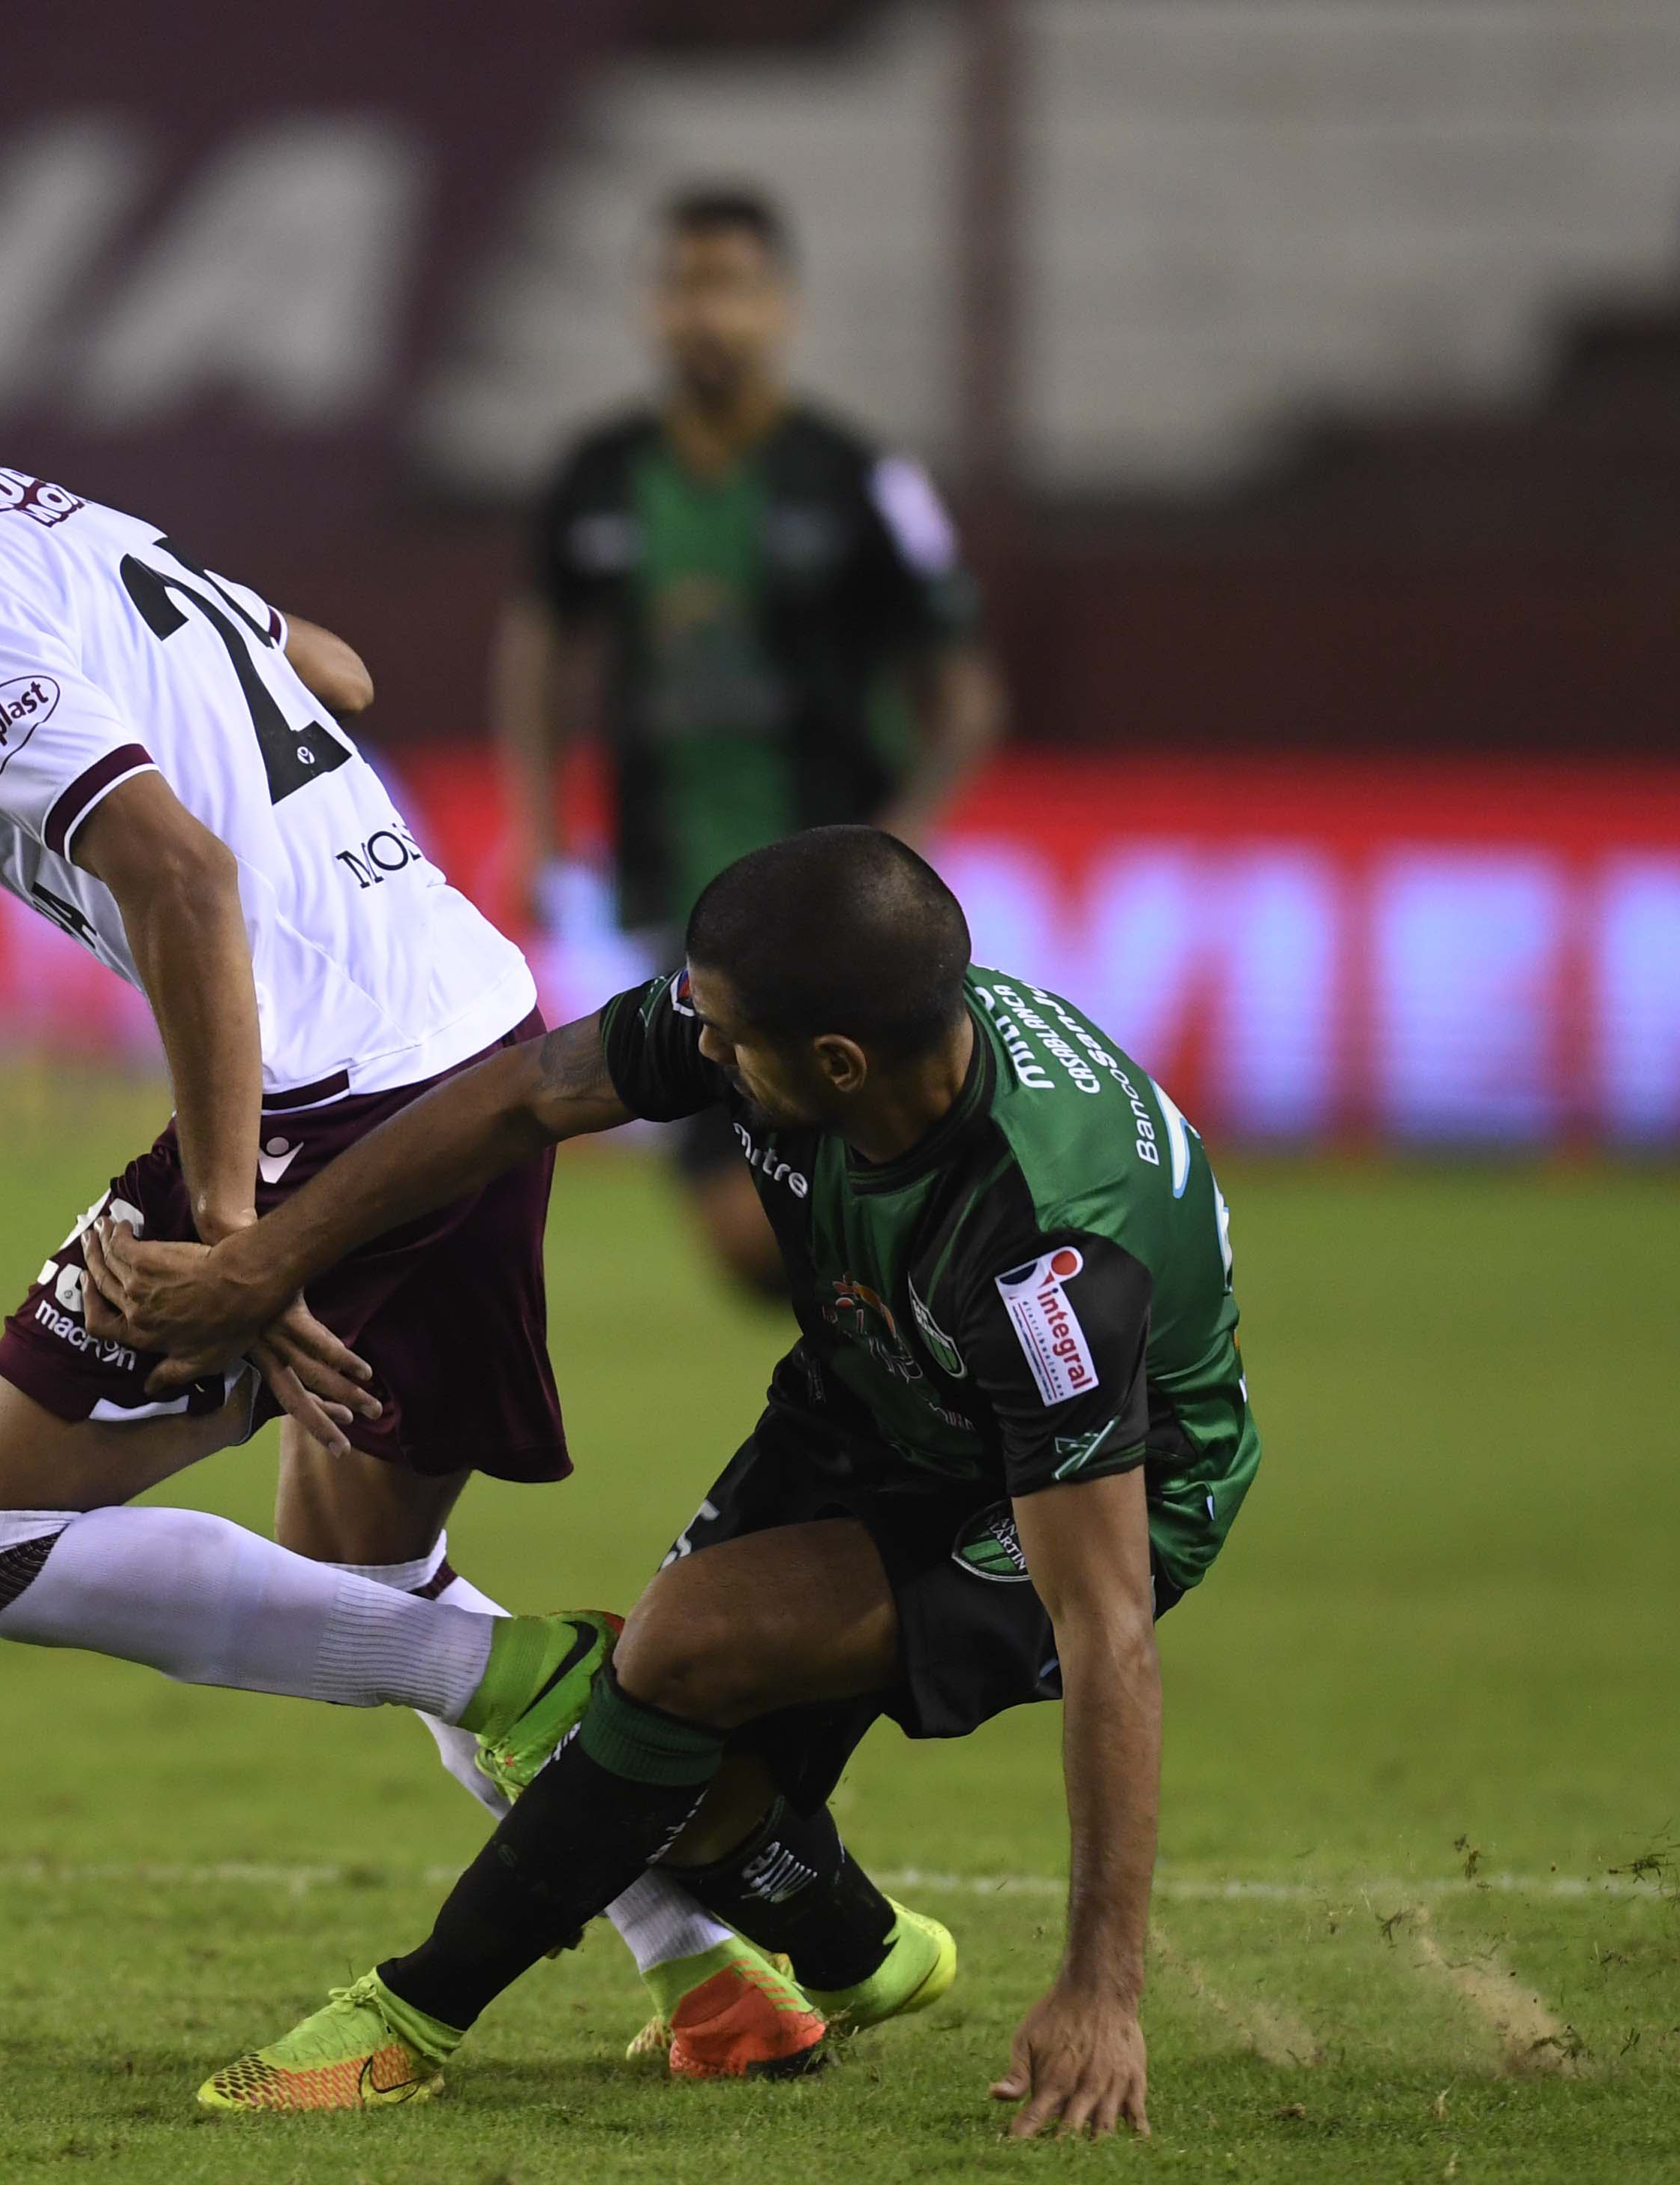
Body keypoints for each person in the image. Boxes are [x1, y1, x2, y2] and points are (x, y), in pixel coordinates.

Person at [0, 291, 815, 2075]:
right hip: (470, 1025)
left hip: (331, 1095)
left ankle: (543, 1685)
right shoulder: (8, 513)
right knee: (362, 1578)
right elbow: (330, 669)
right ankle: (727, 1968)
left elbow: (180, 878)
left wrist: (237, 1230)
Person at [84, 827, 1256, 2132]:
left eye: (727, 1041)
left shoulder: (1045, 1257)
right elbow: (528, 1094)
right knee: (656, 1759)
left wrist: (1102, 1990)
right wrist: (269, 1257)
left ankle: (415, 2014)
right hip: (881, 1383)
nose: (699, 1053)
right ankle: (864, 1952)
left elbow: (1106, 1626)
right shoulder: (794, 1009)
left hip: (1094, 1492)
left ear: (837, 1067)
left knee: (676, 1656)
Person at [497, 185, 1005, 1303]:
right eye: (684, 286)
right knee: (749, 1229)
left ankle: (925, 1381)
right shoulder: (597, 473)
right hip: (671, 891)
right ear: (649, 304)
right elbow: (537, 650)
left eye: (729, 287)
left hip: (840, 899)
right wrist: (536, 827)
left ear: (780, 308)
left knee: (846, 1183)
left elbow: (964, 689)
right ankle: (903, 1369)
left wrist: (902, 844)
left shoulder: (859, 476)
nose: (705, 314)